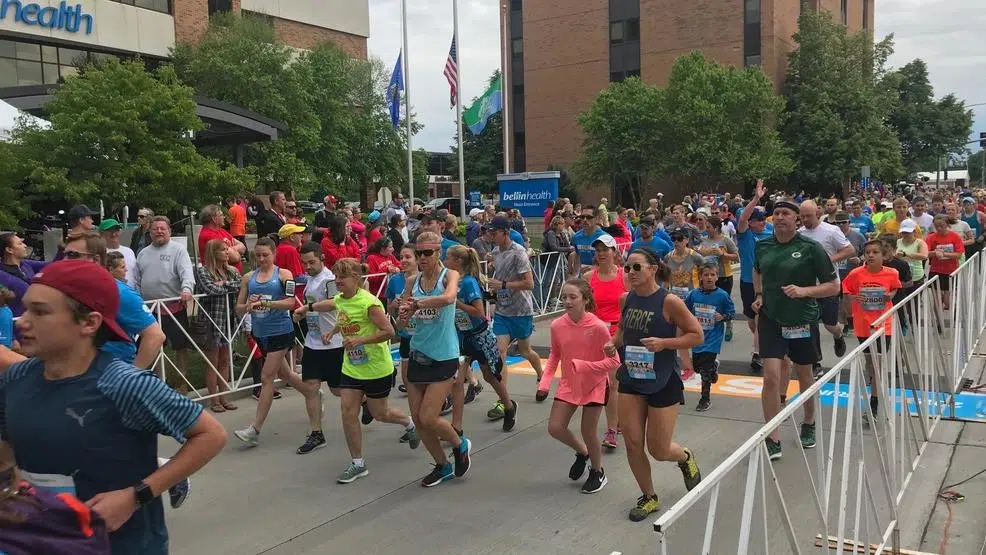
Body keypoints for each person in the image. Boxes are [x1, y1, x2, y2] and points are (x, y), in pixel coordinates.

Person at [0, 260, 227, 553]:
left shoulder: (123, 383)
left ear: (89, 323)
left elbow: (211, 435)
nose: (22, 321)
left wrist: (136, 496)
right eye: (26, 309)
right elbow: (7, 445)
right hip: (43, 542)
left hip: (123, 545)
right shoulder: (16, 378)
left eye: (40, 311)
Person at [607, 247, 703, 522]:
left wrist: (665, 343)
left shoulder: (669, 301)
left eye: (637, 267)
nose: (631, 272)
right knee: (632, 443)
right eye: (627, 267)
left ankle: (684, 457)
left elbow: (696, 335)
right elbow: (622, 329)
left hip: (662, 380)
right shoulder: (626, 298)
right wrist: (613, 343)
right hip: (631, 377)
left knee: (659, 450)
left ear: (653, 269)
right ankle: (649, 496)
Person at [752, 197, 840, 461]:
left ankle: (809, 421)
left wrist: (804, 291)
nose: (779, 217)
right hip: (771, 318)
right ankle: (772, 436)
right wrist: (759, 294)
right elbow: (757, 271)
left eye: (785, 214)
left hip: (801, 319)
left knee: (804, 373)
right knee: (771, 377)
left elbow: (833, 286)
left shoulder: (811, 248)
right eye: (776, 213)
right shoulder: (763, 246)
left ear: (796, 219)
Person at [323, 258, 419, 483]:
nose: (338, 281)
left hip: (376, 368)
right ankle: (358, 463)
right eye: (336, 277)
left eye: (342, 277)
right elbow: (345, 318)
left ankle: (408, 423)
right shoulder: (340, 299)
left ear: (356, 278)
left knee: (380, 414)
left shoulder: (370, 303)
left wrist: (360, 340)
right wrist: (332, 331)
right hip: (351, 368)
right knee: (347, 411)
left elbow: (389, 331)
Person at [397, 232, 472, 487]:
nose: (422, 258)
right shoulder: (412, 281)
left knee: (429, 417)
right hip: (418, 352)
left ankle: (460, 444)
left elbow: (449, 298)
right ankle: (442, 465)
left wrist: (417, 304)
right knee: (418, 420)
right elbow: (402, 325)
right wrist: (403, 314)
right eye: (419, 253)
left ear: (438, 252)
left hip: (444, 354)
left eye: (427, 253)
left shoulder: (449, 275)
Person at [232, 238, 321, 447]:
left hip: (280, 331)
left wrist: (267, 303)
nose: (262, 259)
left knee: (267, 377)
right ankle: (313, 394)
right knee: (286, 374)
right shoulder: (248, 278)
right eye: (258, 255)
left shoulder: (283, 275)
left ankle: (254, 429)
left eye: (266, 255)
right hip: (260, 333)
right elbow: (238, 307)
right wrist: (248, 306)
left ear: (273, 254)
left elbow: (290, 302)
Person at [538, 279, 619, 494]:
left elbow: (614, 362)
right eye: (564, 297)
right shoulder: (557, 325)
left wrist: (585, 366)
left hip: (595, 384)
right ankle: (582, 452)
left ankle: (598, 471)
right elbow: (554, 355)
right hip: (570, 383)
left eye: (573, 297)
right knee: (555, 427)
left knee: (588, 430)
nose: (567, 301)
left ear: (585, 299)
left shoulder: (598, 327)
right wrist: (544, 383)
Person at [445, 246, 515, 432]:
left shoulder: (468, 282)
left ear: (458, 261)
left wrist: (457, 303)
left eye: (447, 258)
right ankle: (456, 426)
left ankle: (509, 406)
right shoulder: (450, 280)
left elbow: (479, 312)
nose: (444, 261)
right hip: (461, 336)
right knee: (456, 381)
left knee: (490, 375)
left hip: (479, 336)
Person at [133, 217, 197, 392]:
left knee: (180, 347)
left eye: (163, 228)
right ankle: (160, 383)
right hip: (151, 310)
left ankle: (181, 381)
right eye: (155, 229)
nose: (159, 231)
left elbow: (186, 272)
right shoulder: (143, 253)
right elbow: (137, 280)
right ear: (150, 232)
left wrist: (186, 289)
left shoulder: (178, 250)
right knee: (154, 345)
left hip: (174, 307)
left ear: (169, 231)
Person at [487, 216, 539, 422]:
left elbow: (530, 284)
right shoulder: (495, 252)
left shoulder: (519, 252)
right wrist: (494, 289)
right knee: (500, 351)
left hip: (521, 310)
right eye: (489, 232)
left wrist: (503, 285)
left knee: (526, 351)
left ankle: (541, 376)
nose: (491, 236)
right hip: (502, 310)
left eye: (494, 233)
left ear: (505, 232)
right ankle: (503, 399)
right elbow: (499, 278)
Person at [841, 240, 901, 422]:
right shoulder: (856, 274)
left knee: (877, 363)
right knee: (870, 362)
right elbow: (846, 292)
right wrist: (854, 299)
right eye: (868, 252)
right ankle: (873, 381)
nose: (871, 255)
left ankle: (873, 405)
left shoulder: (892, 273)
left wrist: (889, 296)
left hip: (884, 324)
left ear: (884, 256)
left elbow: (895, 289)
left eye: (875, 252)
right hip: (863, 324)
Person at [579, 234, 627, 450]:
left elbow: (633, 304)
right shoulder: (589, 277)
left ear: (614, 252)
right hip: (596, 334)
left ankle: (611, 430)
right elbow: (582, 305)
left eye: (605, 250)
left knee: (613, 383)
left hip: (619, 334)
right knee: (602, 383)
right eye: (598, 251)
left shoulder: (625, 276)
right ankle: (617, 421)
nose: (601, 254)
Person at [193, 239, 242, 413]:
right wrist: (228, 287)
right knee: (212, 361)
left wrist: (225, 284)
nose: (227, 252)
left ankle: (224, 397)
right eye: (223, 250)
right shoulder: (203, 271)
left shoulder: (232, 271)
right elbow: (211, 289)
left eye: (227, 249)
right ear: (213, 253)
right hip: (211, 320)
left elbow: (241, 285)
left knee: (225, 360)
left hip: (228, 318)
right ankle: (214, 400)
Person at [685, 264, 735, 412]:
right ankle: (713, 366)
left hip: (713, 338)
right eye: (706, 275)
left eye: (712, 275)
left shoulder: (722, 295)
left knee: (704, 372)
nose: (709, 278)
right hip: (697, 337)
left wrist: (723, 317)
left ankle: (705, 399)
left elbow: (731, 312)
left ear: (717, 277)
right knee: (697, 367)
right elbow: (685, 310)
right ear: (700, 277)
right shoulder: (694, 294)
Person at [386, 244, 418, 395]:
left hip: (425, 335)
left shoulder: (426, 279)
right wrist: (394, 304)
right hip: (406, 334)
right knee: (406, 378)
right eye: (401, 257)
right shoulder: (394, 281)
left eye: (408, 257)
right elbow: (388, 309)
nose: (403, 260)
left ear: (417, 259)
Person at [0, 232, 47, 317]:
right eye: (20, 243)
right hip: (14, 320)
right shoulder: (3, 275)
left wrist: (62, 248)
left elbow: (51, 264)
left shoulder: (25, 264)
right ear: (9, 250)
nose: (25, 246)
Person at [925, 215, 964, 311]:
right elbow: (925, 253)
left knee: (947, 302)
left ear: (947, 225)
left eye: (941, 226)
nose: (939, 228)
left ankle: (954, 313)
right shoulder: (930, 237)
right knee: (937, 301)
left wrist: (944, 254)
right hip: (935, 270)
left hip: (950, 270)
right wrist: (935, 253)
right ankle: (938, 320)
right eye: (936, 226)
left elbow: (959, 254)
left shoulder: (955, 236)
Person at [100, 219, 137, 288]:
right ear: (101, 234)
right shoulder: (99, 254)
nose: (114, 234)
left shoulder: (129, 251)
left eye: (116, 230)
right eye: (109, 231)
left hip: (131, 292)